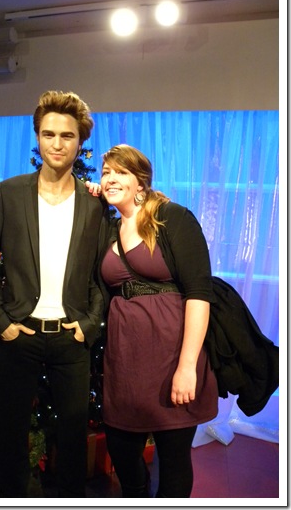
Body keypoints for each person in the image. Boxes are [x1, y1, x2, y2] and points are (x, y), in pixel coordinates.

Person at [0, 91, 108, 497]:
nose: (57, 143)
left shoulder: (94, 203)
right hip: (20, 333)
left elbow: (103, 273)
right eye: (48, 134)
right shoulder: (8, 192)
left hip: (72, 337)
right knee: (10, 435)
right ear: (37, 137)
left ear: (80, 142)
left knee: (72, 442)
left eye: (67, 135)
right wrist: (1, 321)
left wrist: (89, 325)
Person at [97, 144, 219, 498]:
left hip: (171, 358)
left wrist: (187, 367)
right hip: (125, 364)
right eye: (105, 173)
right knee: (122, 451)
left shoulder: (172, 218)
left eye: (120, 172)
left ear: (141, 182)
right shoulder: (107, 227)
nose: (110, 179)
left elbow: (199, 293)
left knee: (173, 459)